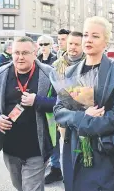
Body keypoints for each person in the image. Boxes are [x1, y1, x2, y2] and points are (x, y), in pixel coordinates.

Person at [53, 16, 114, 191]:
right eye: (86, 35)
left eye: (95, 36)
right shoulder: (70, 72)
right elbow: (59, 110)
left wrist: (88, 126)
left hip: (107, 153)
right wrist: (83, 118)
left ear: (106, 41)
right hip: (77, 152)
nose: (88, 39)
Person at [0, 36, 57, 191]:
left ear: (34, 52)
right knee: (19, 186)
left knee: (31, 188)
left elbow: (63, 103)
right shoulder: (0, 73)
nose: (20, 57)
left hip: (38, 147)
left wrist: (38, 101)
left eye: (25, 52)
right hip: (10, 147)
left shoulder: (49, 73)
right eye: (16, 52)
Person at [46, 31, 85, 185]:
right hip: (64, 119)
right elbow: (53, 93)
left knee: (85, 158)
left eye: (77, 44)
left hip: (86, 117)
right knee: (67, 156)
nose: (73, 47)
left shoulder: (89, 62)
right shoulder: (57, 65)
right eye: (70, 44)